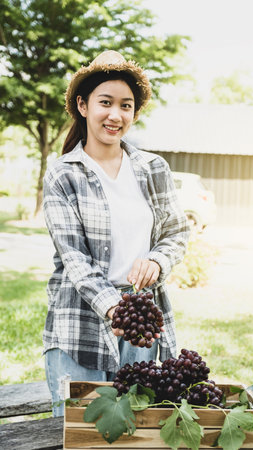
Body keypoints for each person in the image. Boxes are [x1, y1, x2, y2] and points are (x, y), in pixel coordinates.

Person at [42, 50, 190, 416]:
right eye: (105, 103)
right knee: (81, 432)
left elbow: (176, 231)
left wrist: (157, 260)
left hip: (140, 326)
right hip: (80, 325)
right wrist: (114, 310)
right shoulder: (63, 174)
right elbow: (74, 259)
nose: (115, 115)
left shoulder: (153, 168)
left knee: (134, 431)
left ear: (134, 112)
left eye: (126, 105)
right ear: (82, 105)